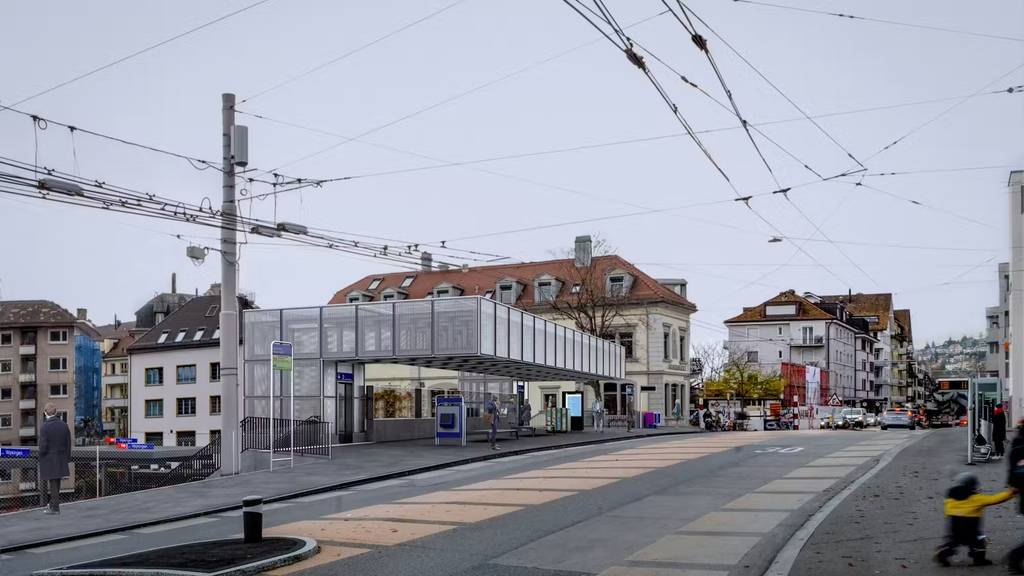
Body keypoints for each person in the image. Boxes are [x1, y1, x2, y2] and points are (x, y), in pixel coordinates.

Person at [934, 472, 1015, 567]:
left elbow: (948, 510)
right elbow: (995, 499)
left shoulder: (950, 498)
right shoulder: (977, 498)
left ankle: (943, 552)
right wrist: (1012, 492)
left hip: (954, 525)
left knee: (953, 542)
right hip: (971, 526)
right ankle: (979, 560)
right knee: (979, 543)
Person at [38, 403, 71, 515]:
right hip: (61, 457)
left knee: (53, 483)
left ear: (45, 413)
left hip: (49, 458)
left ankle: (55, 508)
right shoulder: (64, 425)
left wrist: (40, 456)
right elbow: (68, 444)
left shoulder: (44, 427)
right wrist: (67, 458)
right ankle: (53, 504)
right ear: (56, 412)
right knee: (57, 482)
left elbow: (43, 446)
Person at [1005, 421, 1024, 573]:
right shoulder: (1021, 449)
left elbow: (1012, 475)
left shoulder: (1016, 447)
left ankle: (1015, 558)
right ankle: (1015, 557)